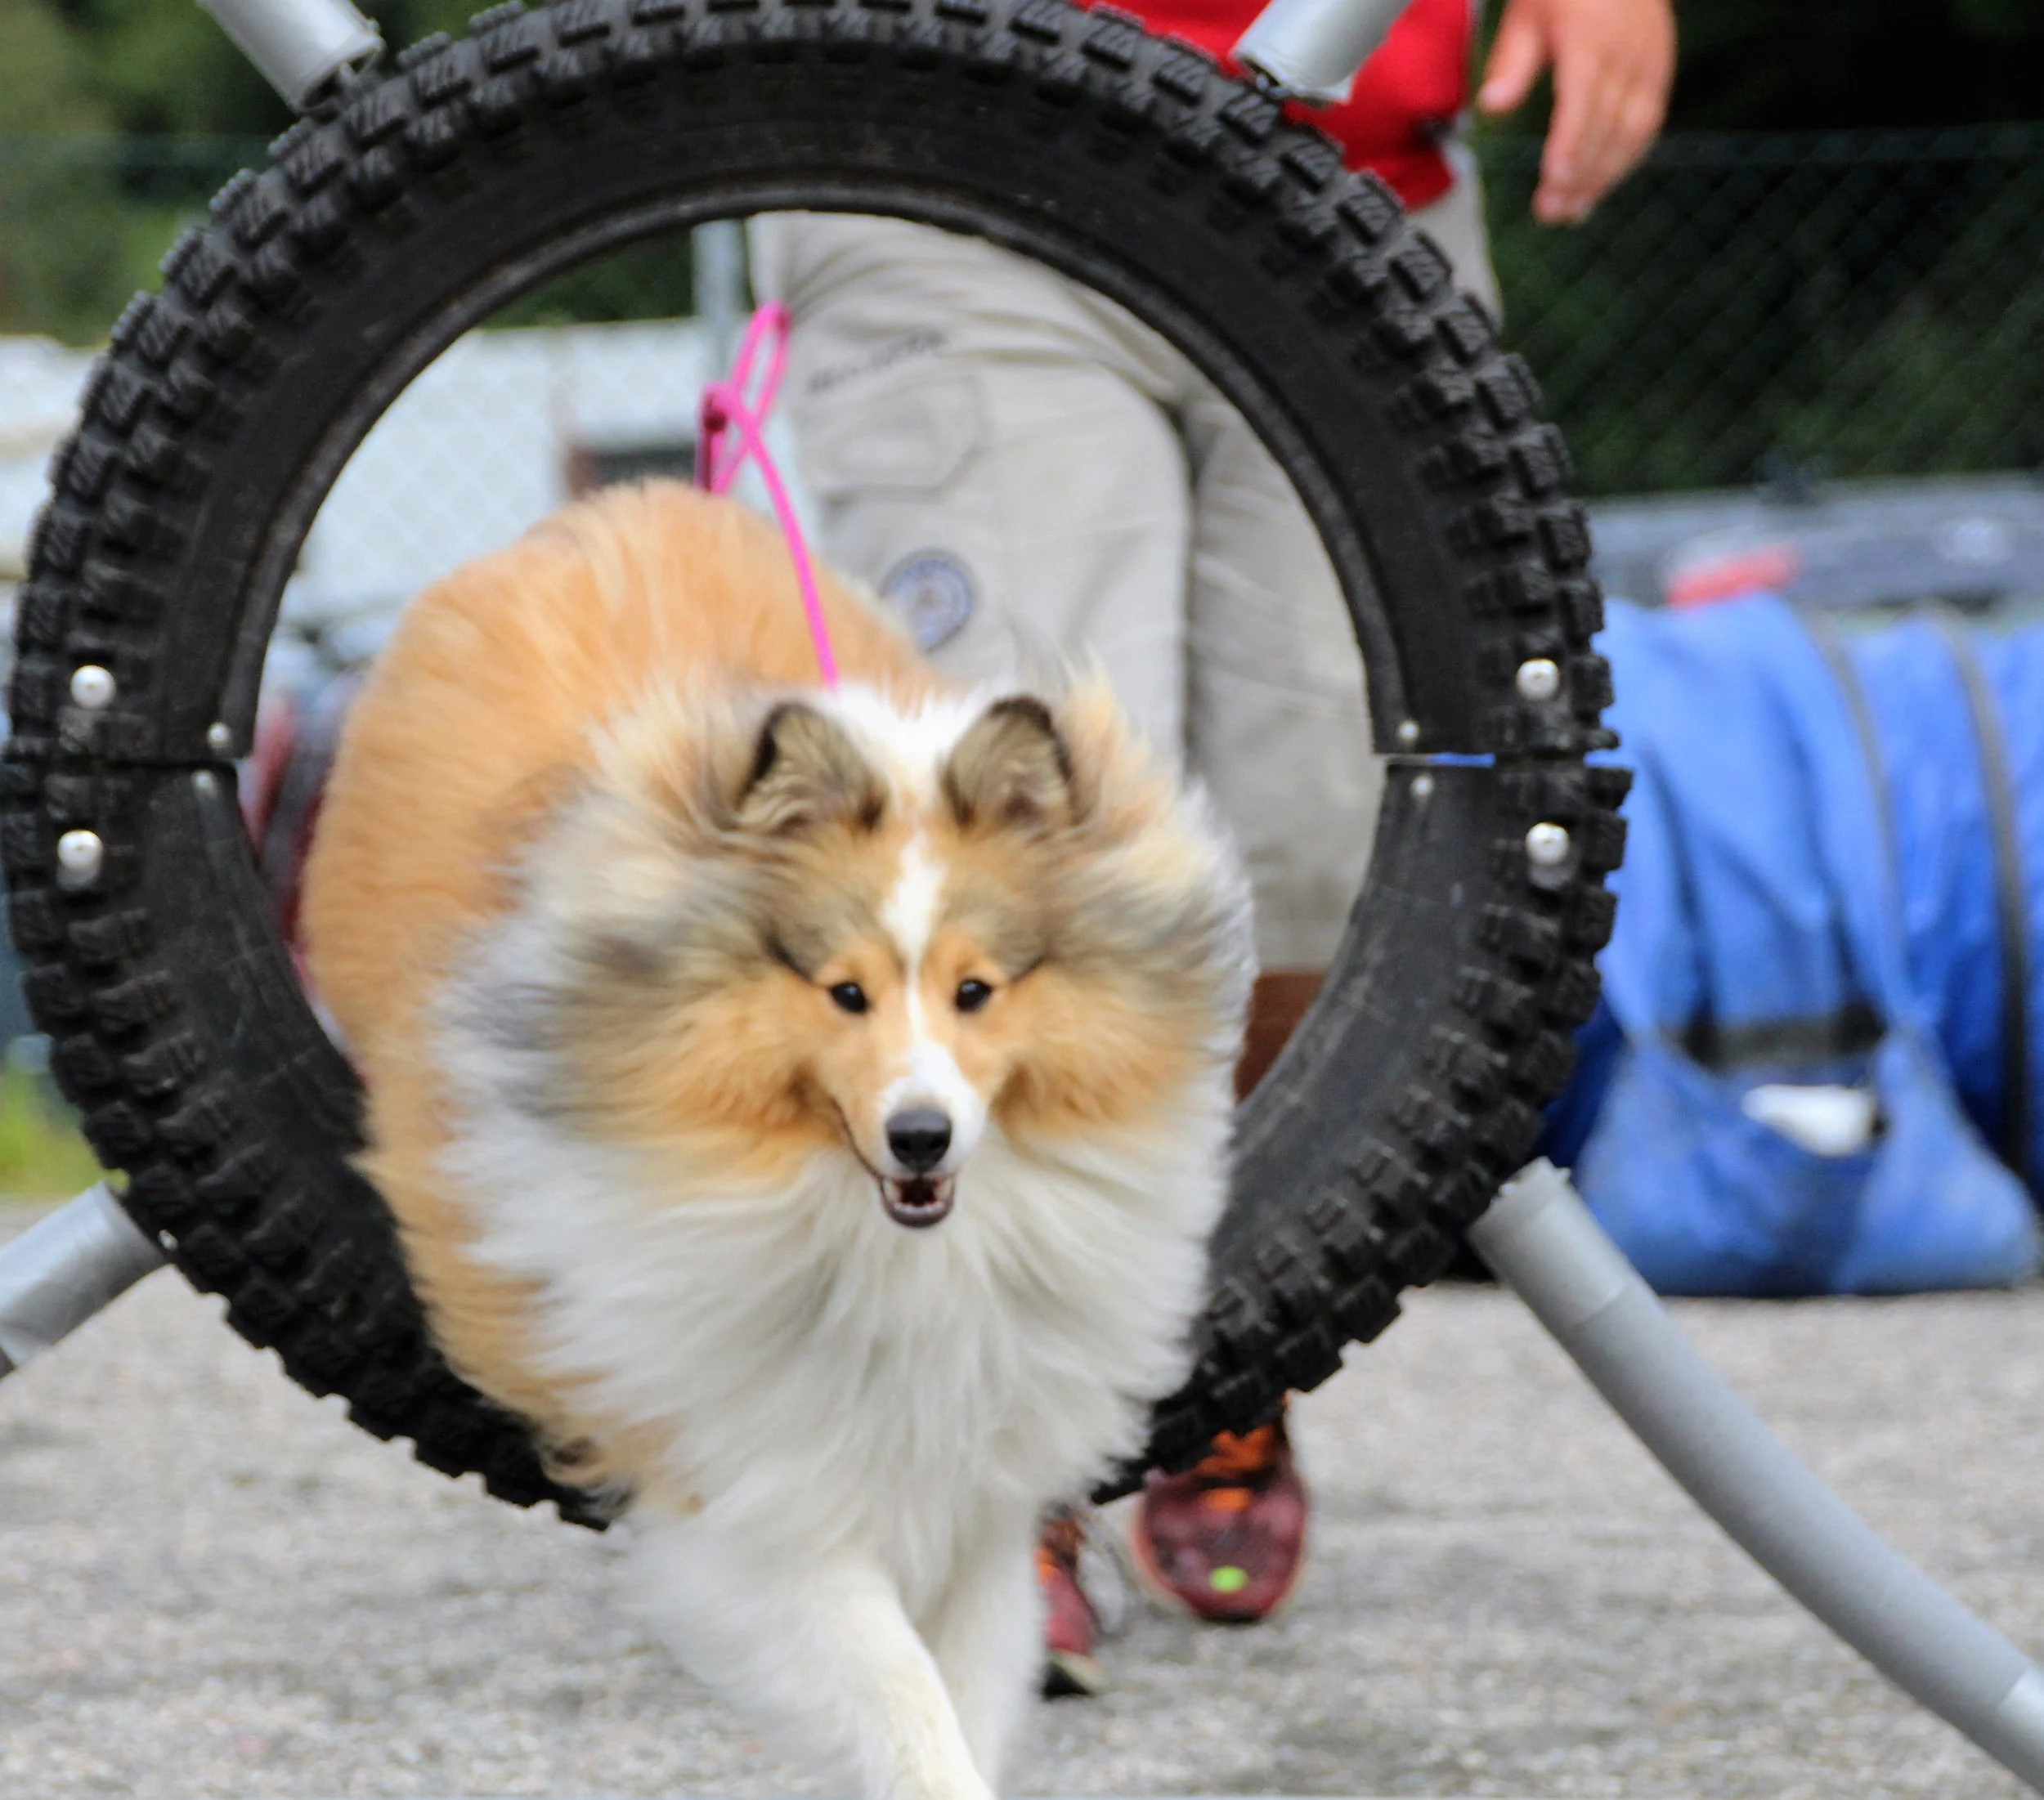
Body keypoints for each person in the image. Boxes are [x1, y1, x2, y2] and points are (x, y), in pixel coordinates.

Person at [751, 0, 1675, 1695]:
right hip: (962, 158)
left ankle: (1220, 1333)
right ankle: (986, 1455)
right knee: (1011, 838)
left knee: (1345, 862)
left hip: (1344, 177)